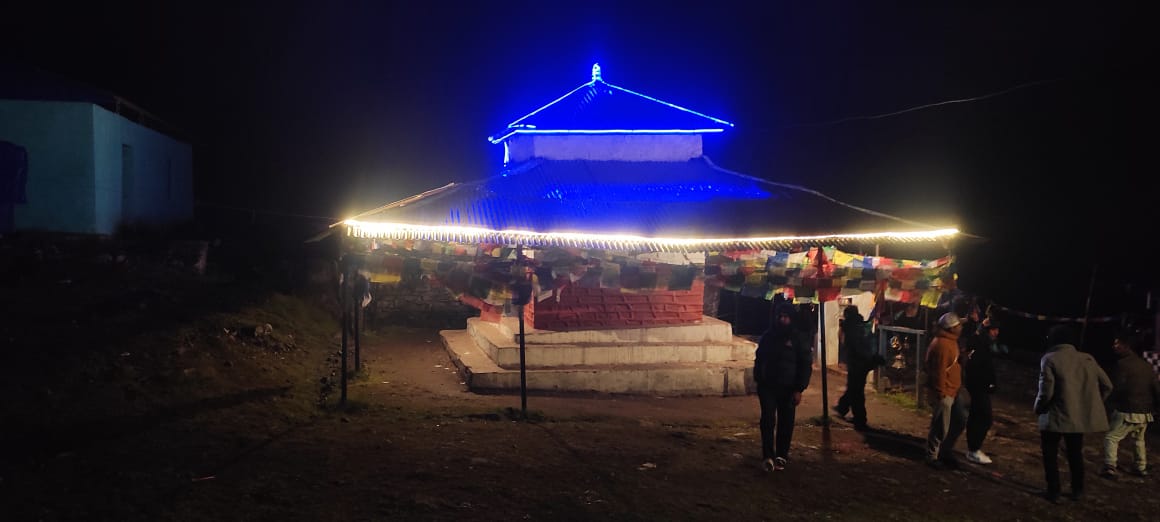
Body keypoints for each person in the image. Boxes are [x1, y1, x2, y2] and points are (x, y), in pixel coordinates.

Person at [1034, 324, 1112, 503]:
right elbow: (1108, 385)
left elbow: (1046, 391)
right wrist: (1092, 404)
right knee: (1075, 453)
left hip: (1055, 414)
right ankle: (1077, 489)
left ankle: (1054, 491)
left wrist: (1039, 407)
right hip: (1078, 417)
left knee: (1050, 453)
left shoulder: (1050, 359)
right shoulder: (1088, 359)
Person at [753, 302, 814, 472]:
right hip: (768, 386)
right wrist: (759, 378)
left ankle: (781, 455)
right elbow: (759, 358)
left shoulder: (798, 338)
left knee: (786, 422)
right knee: (767, 420)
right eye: (780, 316)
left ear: (792, 318)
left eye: (786, 317)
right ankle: (767, 455)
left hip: (789, 388)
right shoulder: (768, 336)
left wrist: (799, 389)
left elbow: (805, 365)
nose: (782, 320)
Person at [1101, 330, 1160, 479]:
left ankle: (1110, 466)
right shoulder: (1147, 366)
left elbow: (1117, 387)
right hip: (1145, 411)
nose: (1114, 346)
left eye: (1118, 343)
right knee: (1138, 439)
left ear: (1127, 346)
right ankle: (1140, 466)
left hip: (1127, 409)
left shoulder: (1122, 365)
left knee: (1111, 437)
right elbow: (1156, 388)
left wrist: (1109, 403)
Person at [924, 312, 967, 469]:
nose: (961, 327)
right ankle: (932, 456)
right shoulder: (942, 345)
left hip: (952, 389)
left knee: (959, 420)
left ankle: (945, 450)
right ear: (952, 328)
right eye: (958, 325)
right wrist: (940, 392)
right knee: (940, 426)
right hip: (945, 391)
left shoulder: (951, 341)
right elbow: (938, 371)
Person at [834, 306, 886, 431]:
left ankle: (860, 419)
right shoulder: (861, 324)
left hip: (857, 363)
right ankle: (842, 408)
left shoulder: (849, 326)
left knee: (856, 391)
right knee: (854, 388)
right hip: (865, 363)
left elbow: (847, 343)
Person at [963, 324, 998, 465]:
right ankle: (973, 449)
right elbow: (976, 367)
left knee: (978, 416)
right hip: (979, 388)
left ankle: (973, 448)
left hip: (980, 387)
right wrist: (986, 384)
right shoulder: (980, 345)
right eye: (993, 329)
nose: (996, 332)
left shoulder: (985, 345)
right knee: (983, 418)